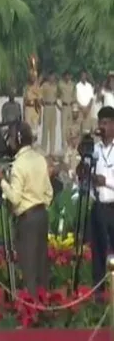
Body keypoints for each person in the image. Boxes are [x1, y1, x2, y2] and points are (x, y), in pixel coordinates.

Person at [0, 122, 53, 296]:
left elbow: (15, 198)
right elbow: (49, 192)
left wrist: (2, 180)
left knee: (29, 266)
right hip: (42, 214)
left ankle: (30, 308)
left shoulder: (19, 164)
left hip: (27, 218)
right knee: (41, 265)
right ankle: (43, 302)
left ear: (16, 141)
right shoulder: (39, 159)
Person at [86, 106, 114, 292]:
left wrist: (107, 181)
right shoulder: (94, 150)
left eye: (105, 123)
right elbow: (86, 178)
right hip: (98, 207)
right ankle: (99, 294)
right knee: (98, 253)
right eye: (100, 123)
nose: (101, 127)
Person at [41, 71, 58, 154]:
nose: (52, 78)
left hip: (53, 107)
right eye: (51, 76)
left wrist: (59, 107)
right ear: (48, 77)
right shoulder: (45, 85)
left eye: (54, 77)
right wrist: (43, 104)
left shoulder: (56, 86)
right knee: (45, 129)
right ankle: (43, 150)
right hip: (47, 107)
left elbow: (57, 96)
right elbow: (40, 96)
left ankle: (52, 152)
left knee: (53, 130)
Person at [58, 71, 76, 151]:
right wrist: (59, 106)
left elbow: (74, 97)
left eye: (69, 76)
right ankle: (63, 145)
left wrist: (75, 109)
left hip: (70, 107)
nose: (68, 77)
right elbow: (56, 95)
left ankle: (70, 145)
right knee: (63, 127)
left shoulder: (72, 85)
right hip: (64, 106)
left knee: (70, 127)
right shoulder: (60, 84)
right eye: (66, 76)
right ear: (64, 76)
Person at [23, 69, 42, 140]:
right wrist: (23, 113)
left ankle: (34, 144)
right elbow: (24, 101)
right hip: (28, 108)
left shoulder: (37, 88)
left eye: (34, 77)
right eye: (31, 77)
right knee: (28, 128)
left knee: (35, 128)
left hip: (35, 108)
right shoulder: (26, 87)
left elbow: (39, 101)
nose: (32, 78)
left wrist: (40, 115)